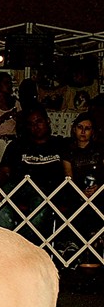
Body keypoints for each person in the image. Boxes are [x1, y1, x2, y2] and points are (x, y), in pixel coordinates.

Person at [0, 105, 65, 243]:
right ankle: (10, 242)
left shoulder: (61, 144)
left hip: (46, 192)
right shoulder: (16, 145)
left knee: (40, 205)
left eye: (39, 122)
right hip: (18, 188)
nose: (35, 127)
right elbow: (4, 172)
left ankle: (20, 244)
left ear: (48, 121)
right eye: (31, 124)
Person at [61, 112, 104, 269]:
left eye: (87, 128)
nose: (83, 132)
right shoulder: (68, 151)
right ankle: (75, 248)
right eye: (80, 127)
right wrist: (80, 192)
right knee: (77, 206)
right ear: (74, 129)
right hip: (75, 193)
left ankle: (94, 246)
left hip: (99, 192)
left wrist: (98, 188)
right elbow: (68, 177)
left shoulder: (100, 150)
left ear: (93, 131)